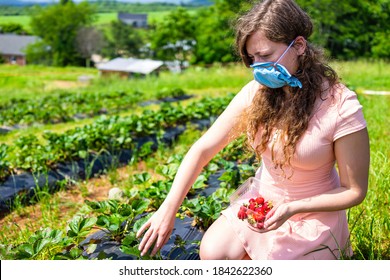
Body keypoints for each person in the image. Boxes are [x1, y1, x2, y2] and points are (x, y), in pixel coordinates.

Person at [137, 0, 370, 260]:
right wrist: (168, 209)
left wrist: (293, 208)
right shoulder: (256, 93)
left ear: (299, 46)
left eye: (266, 56)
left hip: (313, 211)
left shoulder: (340, 104)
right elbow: (203, 149)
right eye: (252, 58)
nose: (258, 66)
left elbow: (354, 191)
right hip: (264, 204)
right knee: (213, 253)